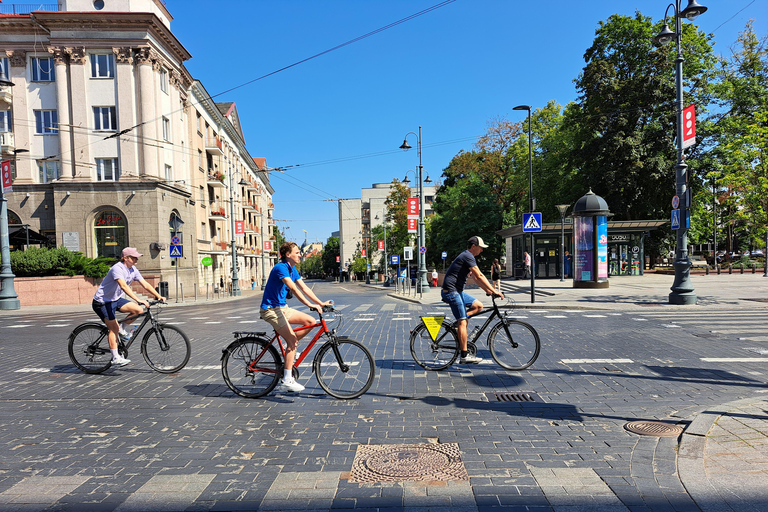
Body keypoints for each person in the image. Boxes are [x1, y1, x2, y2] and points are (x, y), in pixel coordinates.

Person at [260, 242, 333, 393]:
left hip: (282, 308)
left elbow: (304, 288)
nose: (300, 254)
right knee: (292, 341)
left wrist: (320, 303)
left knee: (310, 321)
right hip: (270, 310)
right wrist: (310, 305)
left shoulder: (292, 269)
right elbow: (293, 287)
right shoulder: (281, 268)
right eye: (297, 252)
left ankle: (289, 350)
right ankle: (287, 379)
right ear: (288, 255)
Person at [92, 247, 166, 367]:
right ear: (125, 258)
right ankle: (115, 357)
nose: (136, 259)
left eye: (137, 257)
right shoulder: (117, 268)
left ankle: (122, 328)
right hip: (102, 302)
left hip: (115, 299)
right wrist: (138, 299)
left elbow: (145, 284)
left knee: (138, 310)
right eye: (133, 257)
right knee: (113, 329)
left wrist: (158, 296)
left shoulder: (133, 269)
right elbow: (123, 286)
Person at [442, 236, 504, 364]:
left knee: (478, 306)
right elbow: (479, 275)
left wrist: (487, 290)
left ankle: (458, 324)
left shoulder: (468, 257)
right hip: (451, 292)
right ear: (474, 246)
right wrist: (494, 290)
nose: (482, 251)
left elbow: (476, 279)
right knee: (463, 322)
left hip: (457, 291)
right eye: (481, 248)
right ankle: (464, 356)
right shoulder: (467, 255)